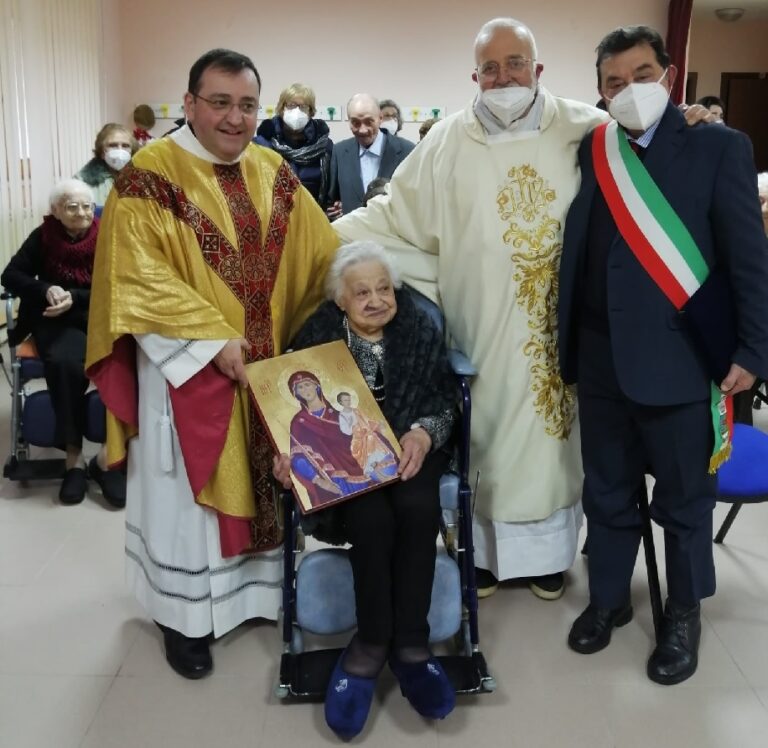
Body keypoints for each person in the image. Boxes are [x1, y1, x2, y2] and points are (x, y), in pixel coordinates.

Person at [85, 48, 339, 680]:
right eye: (220, 102)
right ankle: (182, 618)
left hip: (263, 369)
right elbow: (135, 276)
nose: (234, 118)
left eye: (247, 104)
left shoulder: (274, 169)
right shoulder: (149, 174)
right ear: (190, 103)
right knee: (183, 505)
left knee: (269, 480)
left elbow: (322, 254)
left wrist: (374, 277)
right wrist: (210, 341)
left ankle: (255, 598)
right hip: (184, 373)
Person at [559, 25, 768, 685]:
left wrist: (754, 349)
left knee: (683, 502)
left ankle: (682, 613)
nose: (629, 91)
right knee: (608, 493)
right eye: (614, 83)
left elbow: (748, 261)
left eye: (642, 75)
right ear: (600, 92)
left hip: (682, 362)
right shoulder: (594, 150)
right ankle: (610, 599)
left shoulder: (718, 147)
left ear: (670, 77)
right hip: (598, 358)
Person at [273, 240, 457, 739]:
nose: (376, 300)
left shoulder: (416, 328)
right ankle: (372, 642)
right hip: (346, 462)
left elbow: (443, 396)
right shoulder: (316, 337)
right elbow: (289, 415)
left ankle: (412, 645)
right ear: (340, 300)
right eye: (362, 293)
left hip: (410, 443)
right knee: (372, 518)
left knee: (418, 507)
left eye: (384, 289)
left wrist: (422, 431)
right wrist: (287, 456)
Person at [1, 179, 126, 507]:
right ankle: (74, 458)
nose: (82, 212)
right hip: (55, 320)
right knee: (66, 362)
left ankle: (107, 457)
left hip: (100, 315)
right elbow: (10, 275)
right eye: (72, 206)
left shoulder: (107, 235)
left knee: (126, 358)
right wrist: (45, 290)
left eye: (86, 205)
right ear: (56, 211)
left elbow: (121, 283)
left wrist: (76, 296)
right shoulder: (43, 236)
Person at [286, 372, 395, 506]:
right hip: (333, 479)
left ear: (316, 386)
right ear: (296, 393)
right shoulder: (299, 421)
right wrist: (319, 481)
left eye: (307, 384)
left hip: (361, 466)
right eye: (300, 388)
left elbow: (364, 431)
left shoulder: (341, 413)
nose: (305, 390)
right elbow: (297, 457)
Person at [326, 94, 415, 218]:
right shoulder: (339, 151)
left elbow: (414, 200)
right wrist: (336, 210)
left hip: (393, 234)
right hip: (352, 234)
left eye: (369, 122)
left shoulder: (407, 151)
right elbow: (331, 200)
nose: (362, 130)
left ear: (380, 119)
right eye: (355, 123)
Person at [255, 83, 333, 206]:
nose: (297, 111)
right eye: (291, 105)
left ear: (311, 112)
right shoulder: (261, 144)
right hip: (272, 218)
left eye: (303, 107)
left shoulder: (324, 146)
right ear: (281, 109)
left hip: (313, 215)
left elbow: (333, 188)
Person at [75, 123, 136, 206]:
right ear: (102, 152)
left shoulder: (142, 181)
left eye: (125, 146)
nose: (120, 150)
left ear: (132, 151)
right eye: (113, 145)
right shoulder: (82, 181)